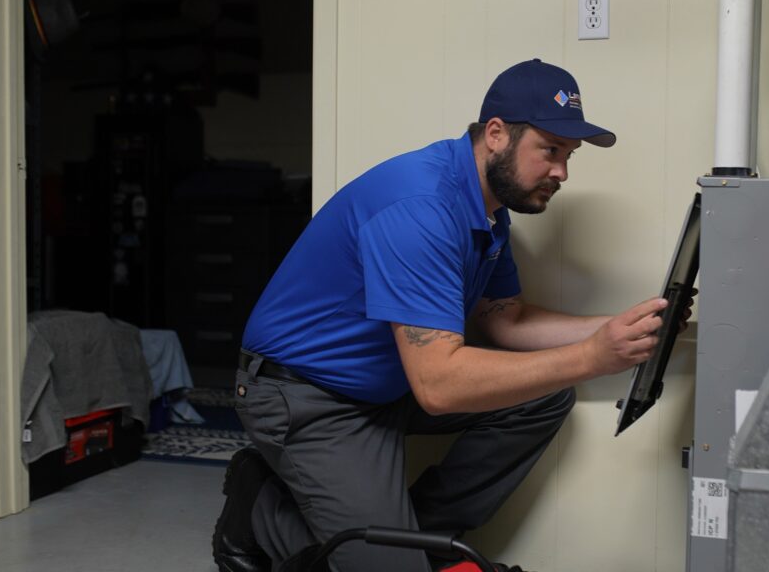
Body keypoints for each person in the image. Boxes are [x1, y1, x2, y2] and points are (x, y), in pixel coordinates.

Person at [211, 59, 689, 572]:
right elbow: (439, 385)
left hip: (388, 386)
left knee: (544, 397)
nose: (561, 172)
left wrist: (618, 329)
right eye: (550, 150)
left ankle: (422, 539)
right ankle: (255, 502)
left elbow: (506, 321)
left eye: (569, 156)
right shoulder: (422, 207)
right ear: (497, 134)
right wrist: (594, 357)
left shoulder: (487, 208)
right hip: (305, 396)